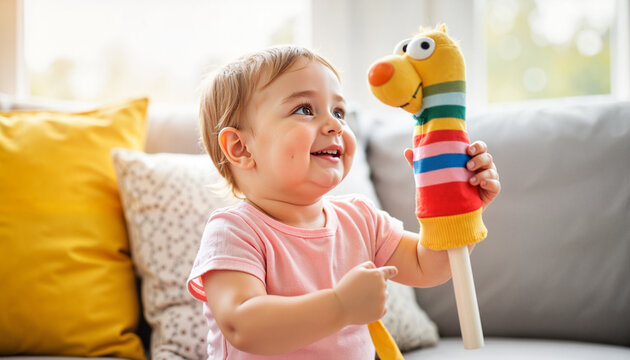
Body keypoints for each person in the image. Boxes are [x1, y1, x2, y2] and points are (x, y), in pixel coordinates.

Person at [187, 45, 501, 359]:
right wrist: (339, 305)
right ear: (240, 148)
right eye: (305, 109)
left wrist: (459, 210)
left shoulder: (360, 218)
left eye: (339, 112)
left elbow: (429, 265)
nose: (335, 124)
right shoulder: (233, 231)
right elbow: (243, 325)